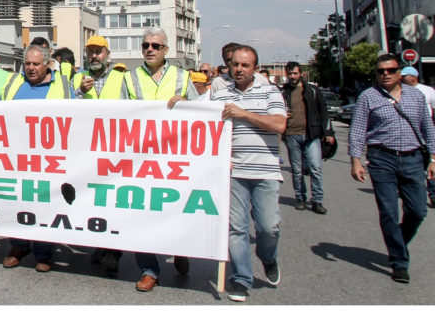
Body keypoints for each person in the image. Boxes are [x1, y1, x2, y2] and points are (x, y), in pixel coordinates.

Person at [348, 54, 435, 284]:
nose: (385, 74)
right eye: (380, 71)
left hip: (413, 158)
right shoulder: (368, 97)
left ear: (400, 73)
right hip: (381, 159)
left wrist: (433, 157)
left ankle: (398, 241)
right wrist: (355, 160)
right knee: (388, 212)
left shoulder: (416, 96)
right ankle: (399, 262)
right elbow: (357, 130)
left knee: (418, 211)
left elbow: (428, 127)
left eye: (390, 70)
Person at [123, 28, 197, 291]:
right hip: (141, 157)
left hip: (175, 156)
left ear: (166, 50)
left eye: (156, 45)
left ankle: (180, 249)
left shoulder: (182, 76)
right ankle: (149, 270)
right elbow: (120, 117)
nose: (150, 49)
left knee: (174, 209)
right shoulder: (130, 78)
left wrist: (186, 103)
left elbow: (200, 114)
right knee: (141, 213)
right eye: (145, 45)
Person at [211, 45, 286, 302]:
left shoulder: (270, 92)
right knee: (236, 228)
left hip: (265, 170)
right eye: (235, 65)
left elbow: (279, 124)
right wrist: (179, 102)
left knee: (268, 227)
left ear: (255, 68)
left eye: (245, 65)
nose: (239, 69)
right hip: (234, 171)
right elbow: (204, 120)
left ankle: (268, 258)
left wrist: (243, 114)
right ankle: (241, 278)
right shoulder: (221, 95)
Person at [1, 45, 71, 272]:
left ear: (48, 64)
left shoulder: (62, 86)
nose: (31, 68)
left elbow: (75, 117)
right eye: (28, 64)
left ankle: (43, 251)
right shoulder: (14, 83)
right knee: (17, 202)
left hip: (47, 158)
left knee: (43, 205)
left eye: (36, 64)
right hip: (16, 156)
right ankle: (19, 246)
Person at [73, 34, 128, 275]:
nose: (94, 55)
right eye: (91, 51)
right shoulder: (76, 78)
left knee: (112, 202)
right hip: (85, 151)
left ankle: (113, 252)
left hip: (114, 151)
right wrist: (78, 92)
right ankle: (98, 244)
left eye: (99, 51)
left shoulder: (122, 78)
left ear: (107, 54)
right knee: (92, 202)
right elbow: (63, 110)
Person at [280, 61, 335, 214]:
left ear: (301, 73)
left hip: (311, 135)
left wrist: (328, 132)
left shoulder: (312, 91)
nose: (292, 76)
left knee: (315, 168)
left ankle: (317, 200)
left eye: (295, 73)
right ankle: (300, 197)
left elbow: (324, 111)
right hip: (292, 135)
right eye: (290, 74)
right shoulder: (283, 93)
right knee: (297, 170)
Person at [402, 66, 435, 208]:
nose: (402, 78)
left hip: (427, 132)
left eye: (404, 76)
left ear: (413, 77)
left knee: (431, 162)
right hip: (410, 135)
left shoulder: (428, 91)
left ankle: (433, 193)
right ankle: (415, 190)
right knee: (415, 164)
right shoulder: (400, 91)